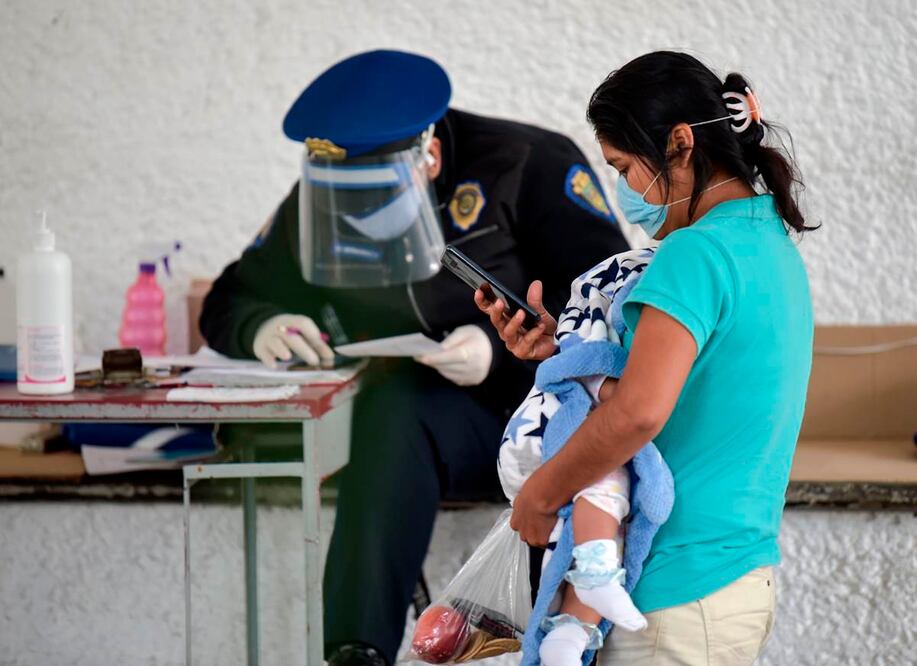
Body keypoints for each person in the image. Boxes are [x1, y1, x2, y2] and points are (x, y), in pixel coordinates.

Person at [199, 49, 630, 665]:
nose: (364, 219)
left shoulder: (527, 163)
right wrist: (262, 325)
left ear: (428, 157)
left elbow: (609, 305)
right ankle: (356, 651)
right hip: (422, 431)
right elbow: (227, 299)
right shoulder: (329, 186)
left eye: (380, 200)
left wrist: (503, 356)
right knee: (393, 402)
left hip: (541, 415)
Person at [478, 50, 815, 665]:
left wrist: (541, 493)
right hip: (734, 578)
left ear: (680, 144)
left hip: (670, 594)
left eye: (625, 167)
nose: (624, 191)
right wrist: (563, 354)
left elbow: (637, 413)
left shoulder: (693, 255)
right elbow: (694, 388)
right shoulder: (766, 241)